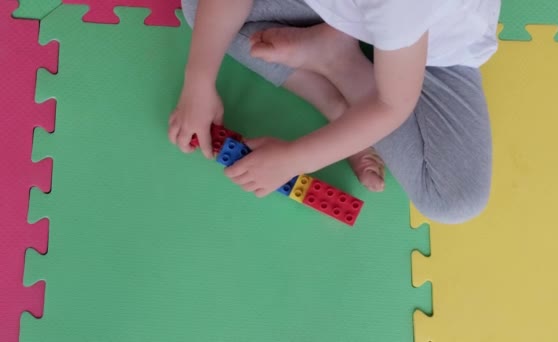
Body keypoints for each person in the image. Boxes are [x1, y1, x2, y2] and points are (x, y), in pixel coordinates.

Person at [169, 0, 500, 224]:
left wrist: (293, 160)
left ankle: (339, 61)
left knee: (453, 199)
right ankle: (334, 84)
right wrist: (198, 80)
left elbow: (392, 104)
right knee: (200, 8)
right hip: (347, 12)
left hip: (436, 49)